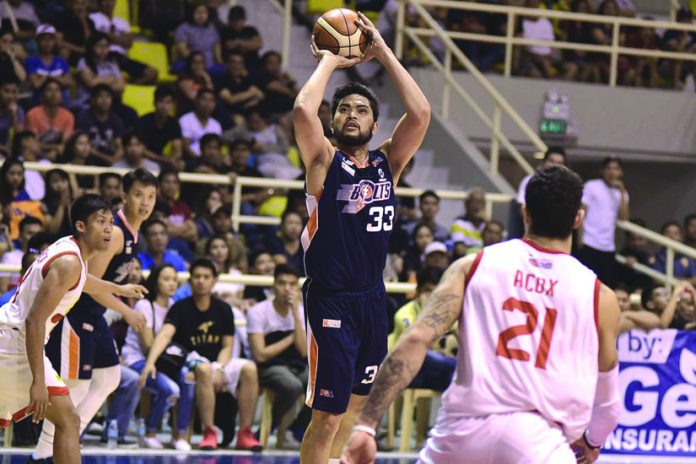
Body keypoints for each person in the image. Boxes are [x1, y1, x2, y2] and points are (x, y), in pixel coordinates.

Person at [342, 165, 622, 464]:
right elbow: (608, 405)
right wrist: (593, 442)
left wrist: (366, 425)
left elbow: (415, 340)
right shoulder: (600, 295)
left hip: (461, 434)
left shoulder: (473, 266)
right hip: (540, 441)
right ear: (579, 218)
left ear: (525, 213)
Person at [293, 12, 430, 462]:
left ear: (375, 126)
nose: (352, 115)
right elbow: (301, 109)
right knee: (327, 415)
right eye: (344, 109)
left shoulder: (387, 164)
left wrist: (382, 52)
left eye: (362, 110)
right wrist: (332, 59)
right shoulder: (324, 162)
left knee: (355, 406)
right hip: (330, 299)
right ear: (333, 122)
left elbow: (421, 112)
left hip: (372, 299)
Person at [0, 194, 146, 464]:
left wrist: (118, 288)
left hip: (13, 341)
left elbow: (84, 281)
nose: (108, 229)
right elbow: (34, 321)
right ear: (80, 226)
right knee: (68, 419)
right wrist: (38, 381)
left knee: (68, 419)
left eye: (111, 222)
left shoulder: (71, 253)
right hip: (12, 345)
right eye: (100, 221)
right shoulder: (70, 262)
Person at [34, 170, 157, 461]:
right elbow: (89, 283)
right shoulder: (114, 232)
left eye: (151, 197)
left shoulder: (131, 231)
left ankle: (68, 441)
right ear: (125, 196)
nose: (145, 202)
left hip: (95, 314)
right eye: (139, 195)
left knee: (109, 378)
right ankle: (42, 456)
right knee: (74, 389)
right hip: (77, 313)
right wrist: (126, 310)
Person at [140, 258, 263, 451]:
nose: (201, 281)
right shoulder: (180, 307)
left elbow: (227, 346)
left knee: (250, 368)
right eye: (196, 276)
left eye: (206, 277)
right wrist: (150, 362)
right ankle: (209, 432)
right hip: (190, 361)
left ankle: (245, 432)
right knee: (204, 369)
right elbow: (164, 335)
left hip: (219, 361)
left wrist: (221, 368)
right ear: (190, 281)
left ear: (214, 281)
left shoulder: (224, 309)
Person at [247, 264, 309, 448]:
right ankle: (267, 429)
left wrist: (296, 317)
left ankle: (296, 429)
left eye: (292, 284)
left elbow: (304, 351)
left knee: (323, 384)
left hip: (296, 365)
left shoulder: (303, 311)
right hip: (269, 367)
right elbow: (260, 354)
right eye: (282, 283)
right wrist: (291, 337)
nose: (287, 289)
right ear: (273, 286)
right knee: (292, 385)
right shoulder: (258, 312)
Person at [389, 267, 455, 392]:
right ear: (418, 292)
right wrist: (428, 312)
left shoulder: (449, 312)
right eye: (428, 291)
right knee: (436, 361)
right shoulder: (404, 315)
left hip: (436, 372)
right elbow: (417, 352)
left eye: (437, 291)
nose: (432, 296)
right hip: (403, 372)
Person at [578, 157, 630, 288]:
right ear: (603, 171)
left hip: (608, 246)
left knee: (606, 287)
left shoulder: (621, 193)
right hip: (589, 242)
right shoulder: (592, 186)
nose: (612, 172)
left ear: (621, 172)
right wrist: (579, 240)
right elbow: (581, 212)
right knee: (586, 285)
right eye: (609, 168)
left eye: (616, 169)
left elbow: (624, 217)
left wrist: (622, 191)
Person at [450, 188, 487, 252]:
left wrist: (487, 222)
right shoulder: (459, 223)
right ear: (466, 204)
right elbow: (460, 250)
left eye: (480, 202)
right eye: (474, 202)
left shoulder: (487, 224)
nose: (477, 206)